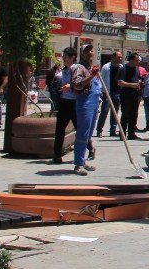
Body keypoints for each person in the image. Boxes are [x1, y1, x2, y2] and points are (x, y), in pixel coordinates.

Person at [51, 47, 95, 164]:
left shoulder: (77, 68)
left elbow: (79, 84)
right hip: (64, 102)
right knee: (60, 129)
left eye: (66, 57)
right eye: (63, 56)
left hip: (75, 102)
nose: (63, 59)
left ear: (72, 57)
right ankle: (57, 155)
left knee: (80, 129)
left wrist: (69, 87)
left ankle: (90, 148)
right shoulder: (63, 70)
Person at [69, 44, 100, 176]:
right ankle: (78, 164)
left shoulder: (90, 68)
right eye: (87, 51)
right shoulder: (78, 68)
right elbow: (77, 84)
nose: (90, 53)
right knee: (82, 133)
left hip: (94, 103)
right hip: (85, 103)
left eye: (92, 51)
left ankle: (82, 160)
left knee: (88, 134)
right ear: (82, 54)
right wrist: (91, 76)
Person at [95, 51, 123, 137]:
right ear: (113, 58)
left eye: (121, 57)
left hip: (117, 92)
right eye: (118, 57)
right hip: (107, 92)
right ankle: (99, 130)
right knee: (104, 111)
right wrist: (101, 91)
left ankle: (113, 130)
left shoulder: (121, 67)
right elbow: (101, 79)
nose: (120, 59)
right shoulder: (106, 67)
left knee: (115, 113)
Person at [118, 53, 143, 140]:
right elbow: (120, 82)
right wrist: (132, 85)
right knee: (125, 115)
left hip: (135, 95)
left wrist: (140, 81)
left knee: (134, 115)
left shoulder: (136, 69)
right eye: (136, 60)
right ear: (131, 60)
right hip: (126, 95)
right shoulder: (123, 69)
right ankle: (122, 134)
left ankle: (131, 134)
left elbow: (138, 78)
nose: (138, 62)